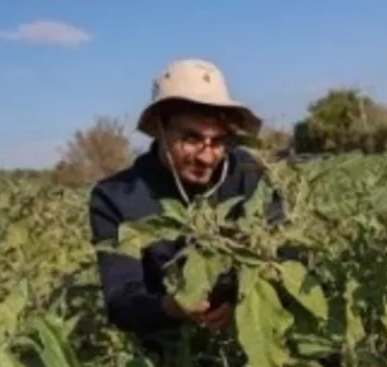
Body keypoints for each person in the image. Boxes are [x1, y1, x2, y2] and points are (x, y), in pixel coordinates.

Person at [88, 59, 283, 342]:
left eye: (217, 142)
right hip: (167, 351)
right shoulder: (117, 197)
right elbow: (121, 300)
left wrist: (240, 297)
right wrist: (170, 307)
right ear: (159, 129)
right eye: (191, 139)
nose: (207, 157)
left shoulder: (248, 175)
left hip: (243, 339)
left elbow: (286, 250)